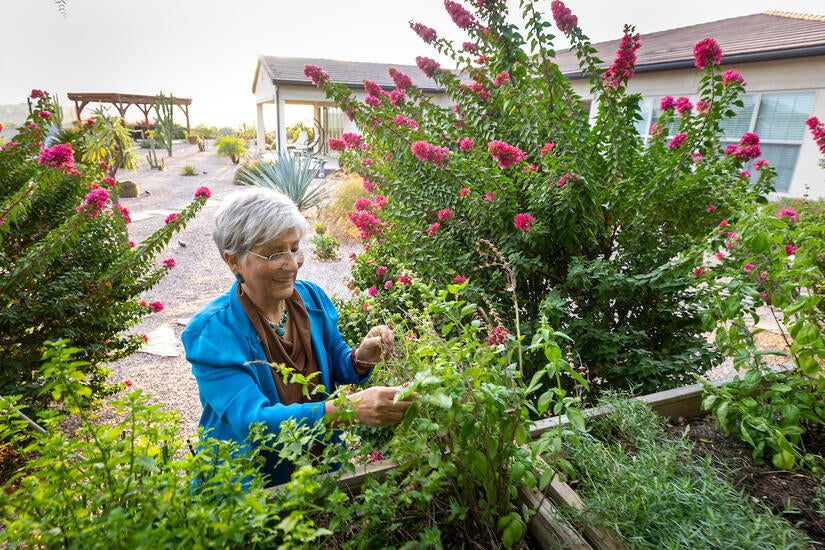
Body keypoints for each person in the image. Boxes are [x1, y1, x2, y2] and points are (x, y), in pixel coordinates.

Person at [182, 187, 411, 487]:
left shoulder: (311, 298)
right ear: (233, 261)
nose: (292, 264)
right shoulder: (211, 333)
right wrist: (349, 410)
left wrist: (360, 358)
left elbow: (333, 361)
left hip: (321, 474)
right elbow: (252, 421)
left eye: (293, 248)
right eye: (275, 253)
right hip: (248, 492)